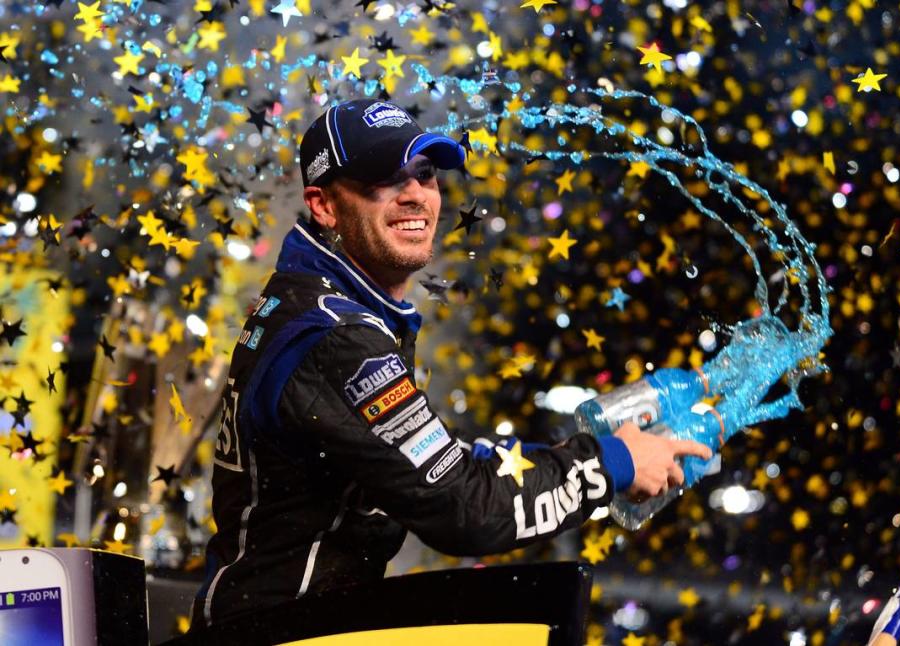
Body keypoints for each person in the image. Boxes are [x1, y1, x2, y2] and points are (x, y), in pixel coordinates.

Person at [191, 99, 713, 629]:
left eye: (424, 174)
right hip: (280, 634)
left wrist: (578, 454)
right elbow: (465, 508)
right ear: (324, 205)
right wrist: (608, 465)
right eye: (381, 178)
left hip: (279, 626)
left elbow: (442, 460)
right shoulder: (336, 337)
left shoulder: (322, 306)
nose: (415, 193)